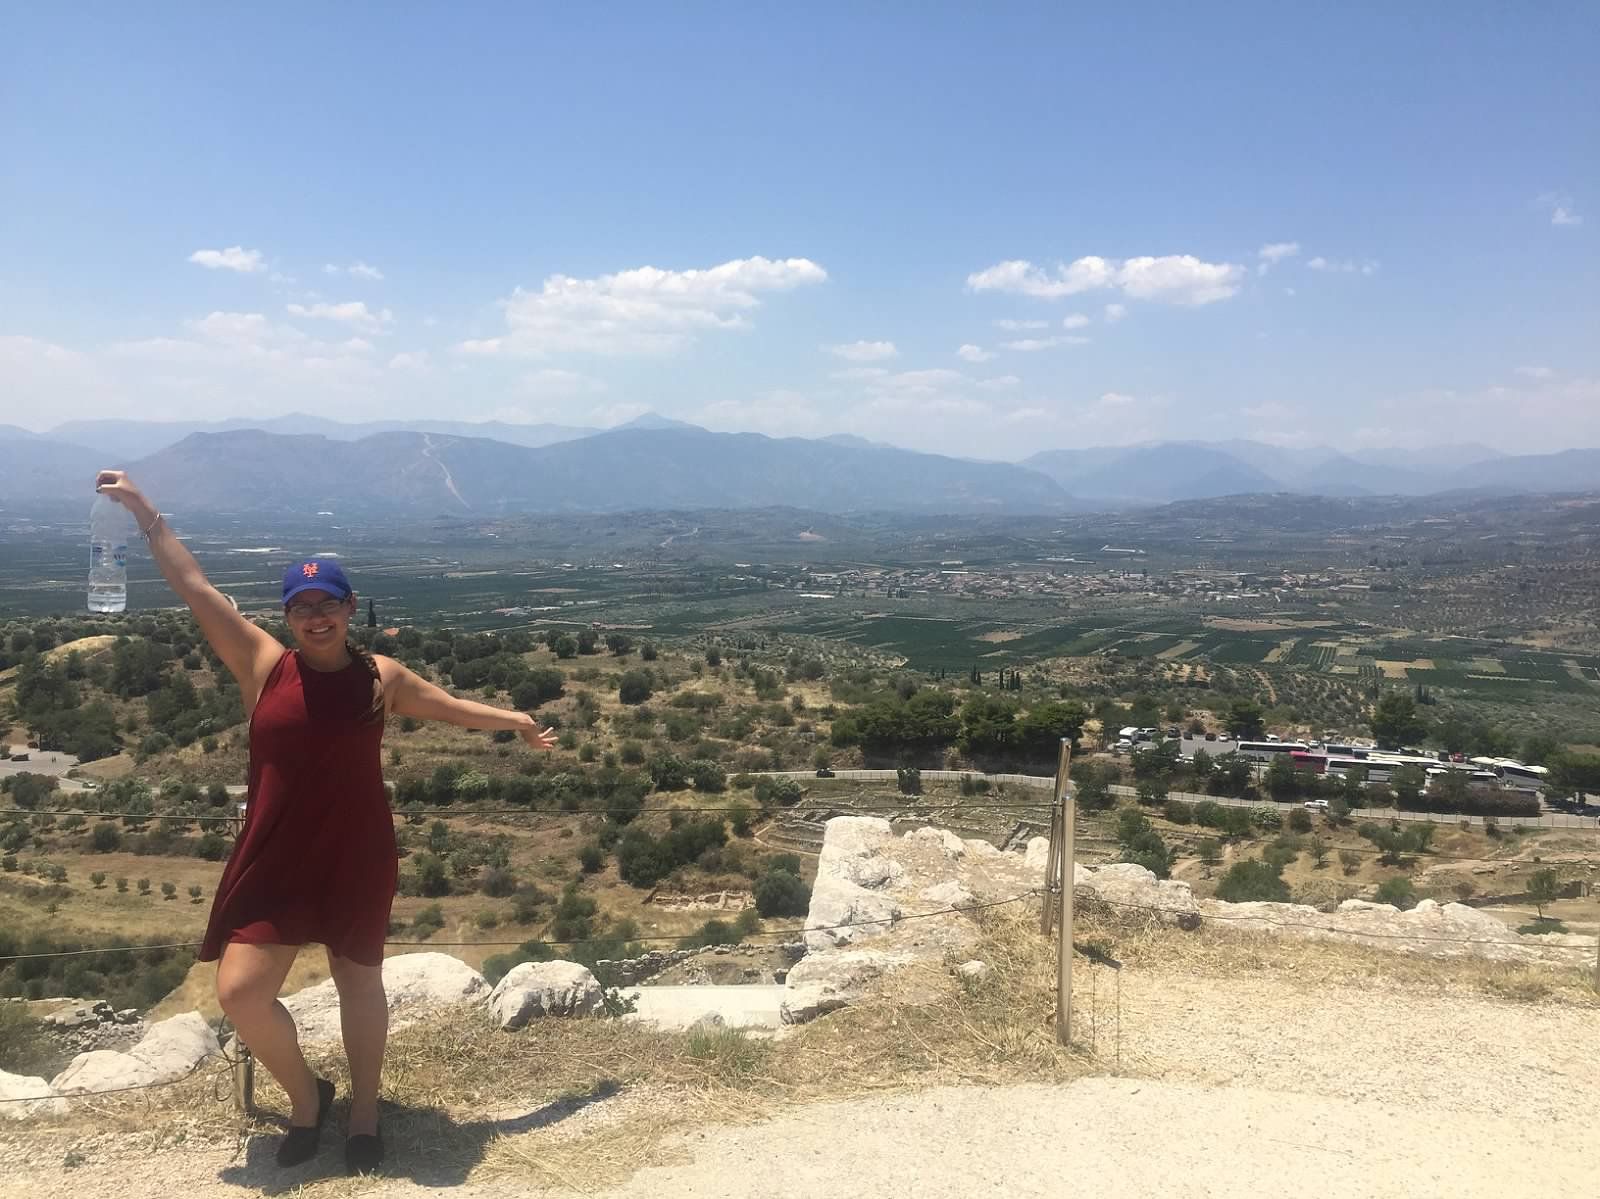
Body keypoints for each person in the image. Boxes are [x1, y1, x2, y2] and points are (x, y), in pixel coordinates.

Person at [93, 471, 555, 1175]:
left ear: (349, 607)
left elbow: (453, 705)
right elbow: (197, 589)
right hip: (275, 855)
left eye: (328, 602)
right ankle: (310, 1099)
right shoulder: (261, 665)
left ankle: (363, 1113)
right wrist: (144, 511)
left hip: (355, 852)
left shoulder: (381, 678)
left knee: (357, 981)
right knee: (241, 991)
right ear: (287, 615)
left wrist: (514, 719)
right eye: (301, 604)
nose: (316, 615)